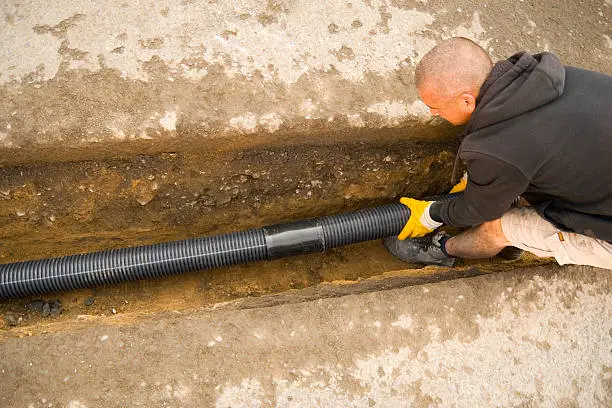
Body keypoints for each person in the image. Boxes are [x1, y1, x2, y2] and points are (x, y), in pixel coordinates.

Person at [383, 37, 612, 269]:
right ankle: (515, 246)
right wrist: (479, 181)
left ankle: (442, 249)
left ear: (466, 101)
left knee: (496, 227)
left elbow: (478, 210)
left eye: (436, 106)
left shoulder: (500, 148)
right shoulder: (545, 78)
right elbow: (539, 149)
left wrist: (431, 214)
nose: (432, 112)